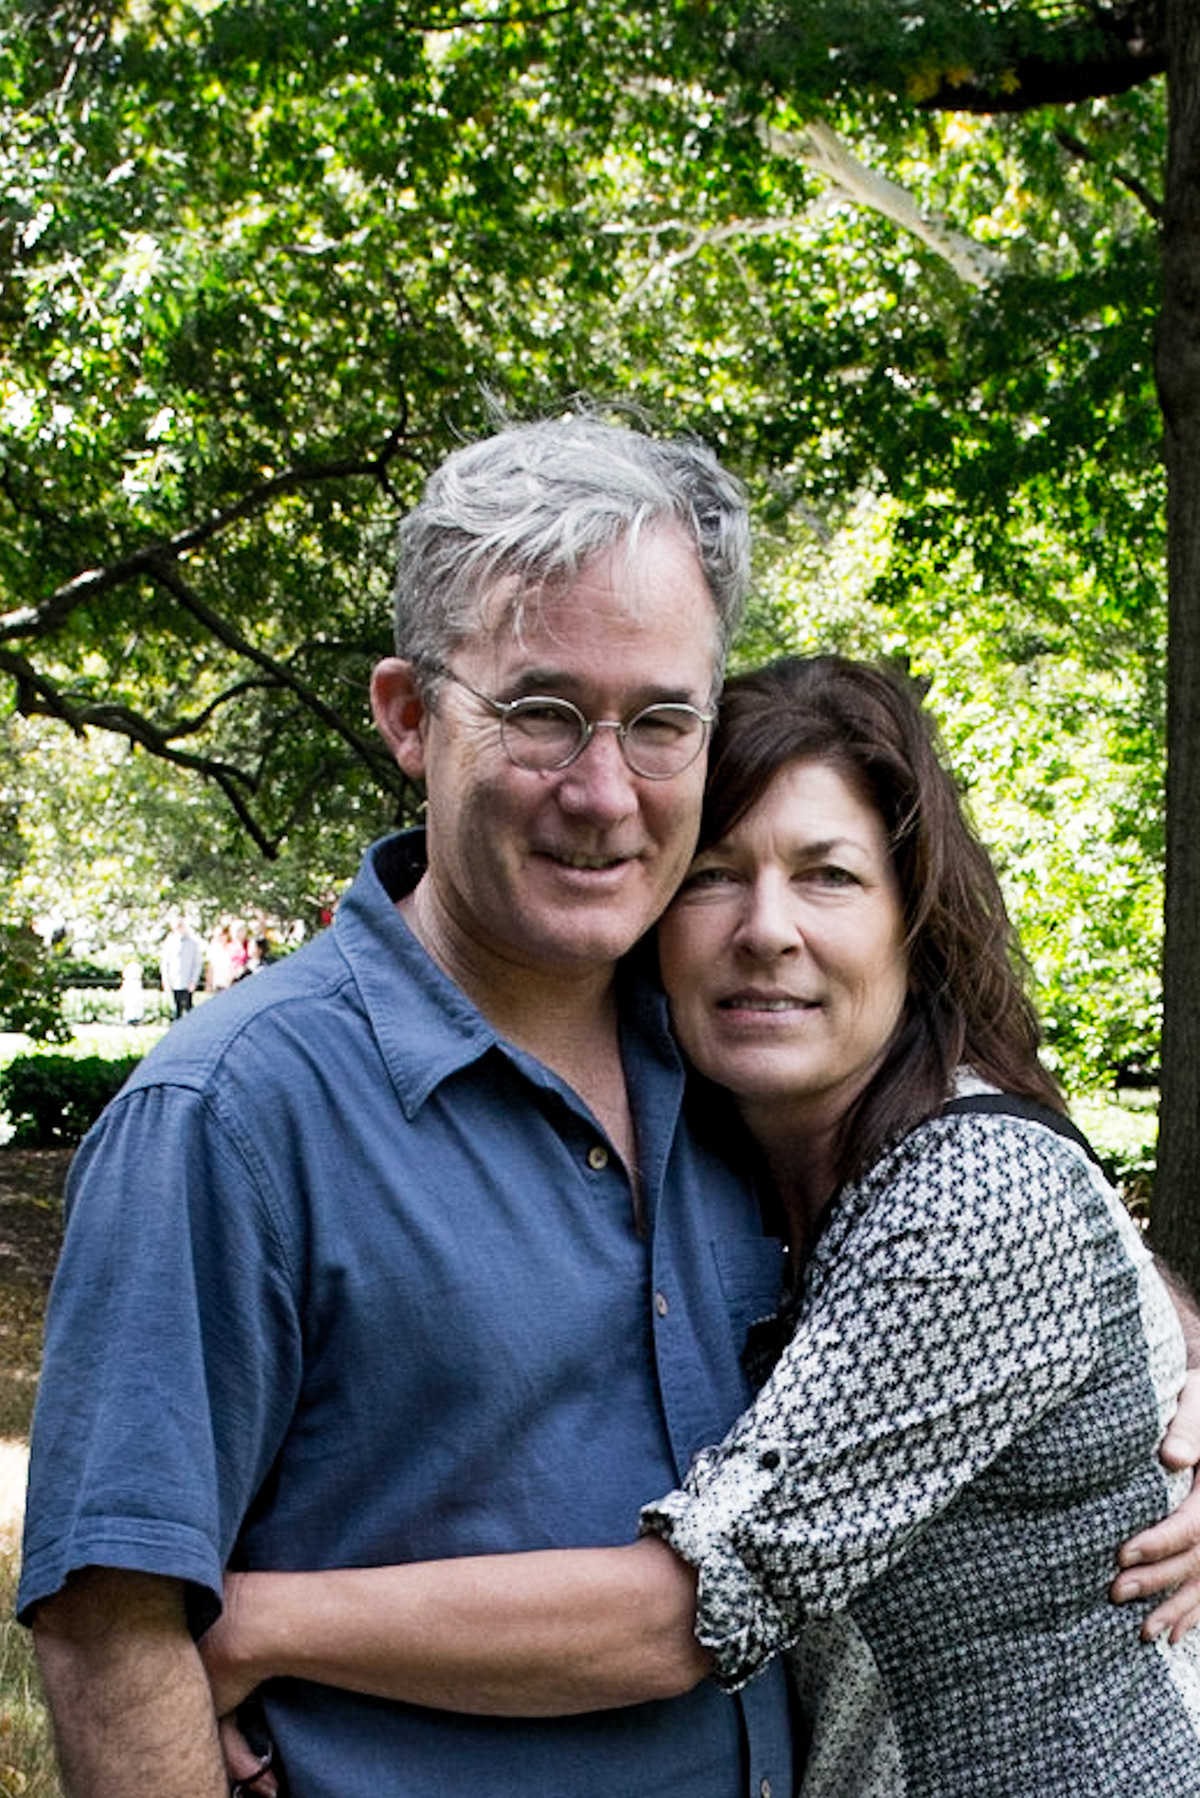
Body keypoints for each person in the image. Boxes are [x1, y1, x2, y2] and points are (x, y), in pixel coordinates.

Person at [199, 656, 1200, 1796]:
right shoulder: (717, 1159)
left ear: (911, 923)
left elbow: (689, 1608)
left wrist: (251, 1623)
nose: (766, 930)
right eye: (715, 876)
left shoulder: (973, 1192)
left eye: (828, 876)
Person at [18, 417, 796, 1798]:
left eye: (661, 720)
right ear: (407, 714)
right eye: (543, 712)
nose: (604, 791)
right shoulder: (231, 1116)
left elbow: (989, 1201)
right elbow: (111, 1627)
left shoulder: (755, 1059)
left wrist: (1172, 1384)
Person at [158, 915, 204, 1019]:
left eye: (181, 926)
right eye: (177, 927)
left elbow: (197, 964)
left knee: (189, 1009)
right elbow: (165, 963)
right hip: (175, 982)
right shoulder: (169, 943)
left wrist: (193, 981)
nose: (179, 929)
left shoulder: (193, 944)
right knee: (177, 1009)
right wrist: (166, 981)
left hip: (188, 982)